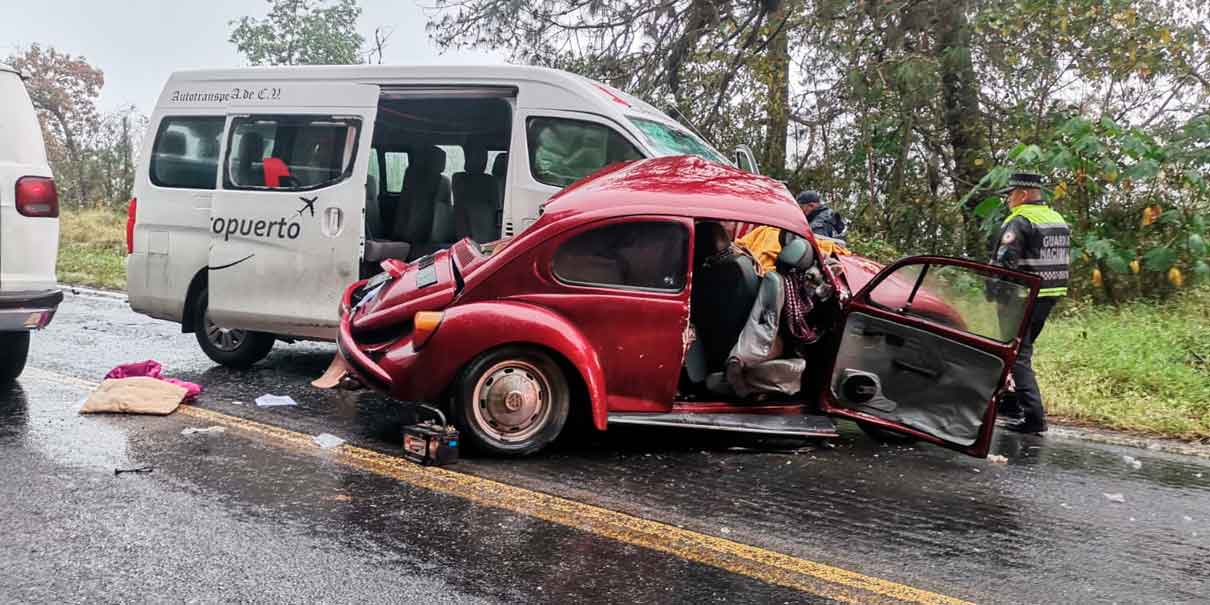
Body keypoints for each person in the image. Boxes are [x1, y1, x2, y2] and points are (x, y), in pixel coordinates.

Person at [991, 171, 1070, 434]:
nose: (1008, 201)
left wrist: (997, 295)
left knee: (1016, 353)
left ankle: (1034, 418)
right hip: (1049, 295)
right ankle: (1011, 404)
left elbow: (1005, 263)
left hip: (1022, 297)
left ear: (1023, 194)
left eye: (1010, 195)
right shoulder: (1056, 219)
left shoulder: (1020, 220)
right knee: (1017, 351)